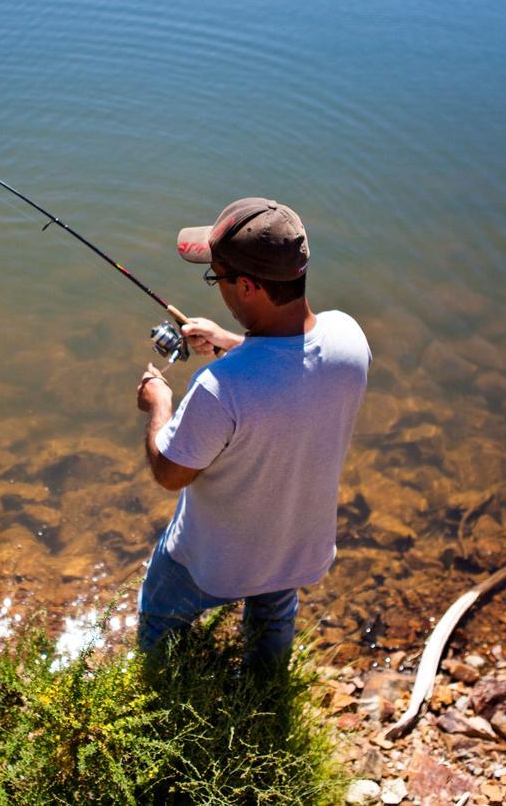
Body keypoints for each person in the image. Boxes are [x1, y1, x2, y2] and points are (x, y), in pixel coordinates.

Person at [134, 197, 371, 669]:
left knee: (159, 614)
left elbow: (169, 472)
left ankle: (157, 685)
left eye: (216, 277)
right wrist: (232, 342)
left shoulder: (221, 388)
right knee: (274, 616)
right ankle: (265, 687)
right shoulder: (350, 337)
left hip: (213, 563)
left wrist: (157, 403)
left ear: (246, 284)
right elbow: (293, 363)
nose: (217, 287)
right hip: (296, 549)